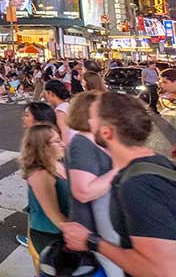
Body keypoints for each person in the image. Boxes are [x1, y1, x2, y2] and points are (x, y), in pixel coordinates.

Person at [62, 91, 176, 276]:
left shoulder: (138, 186)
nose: (89, 123)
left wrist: (90, 241)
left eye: (92, 118)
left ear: (106, 132)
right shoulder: (157, 162)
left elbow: (162, 272)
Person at [64, 92, 122, 277]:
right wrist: (120, 168)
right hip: (92, 228)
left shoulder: (97, 140)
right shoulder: (81, 144)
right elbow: (83, 192)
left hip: (107, 225)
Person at [20, 122, 70, 273]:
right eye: (57, 141)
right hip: (49, 236)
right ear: (43, 147)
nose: (63, 144)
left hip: (61, 232)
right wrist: (85, 236)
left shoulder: (59, 164)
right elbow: (54, 215)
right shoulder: (40, 175)